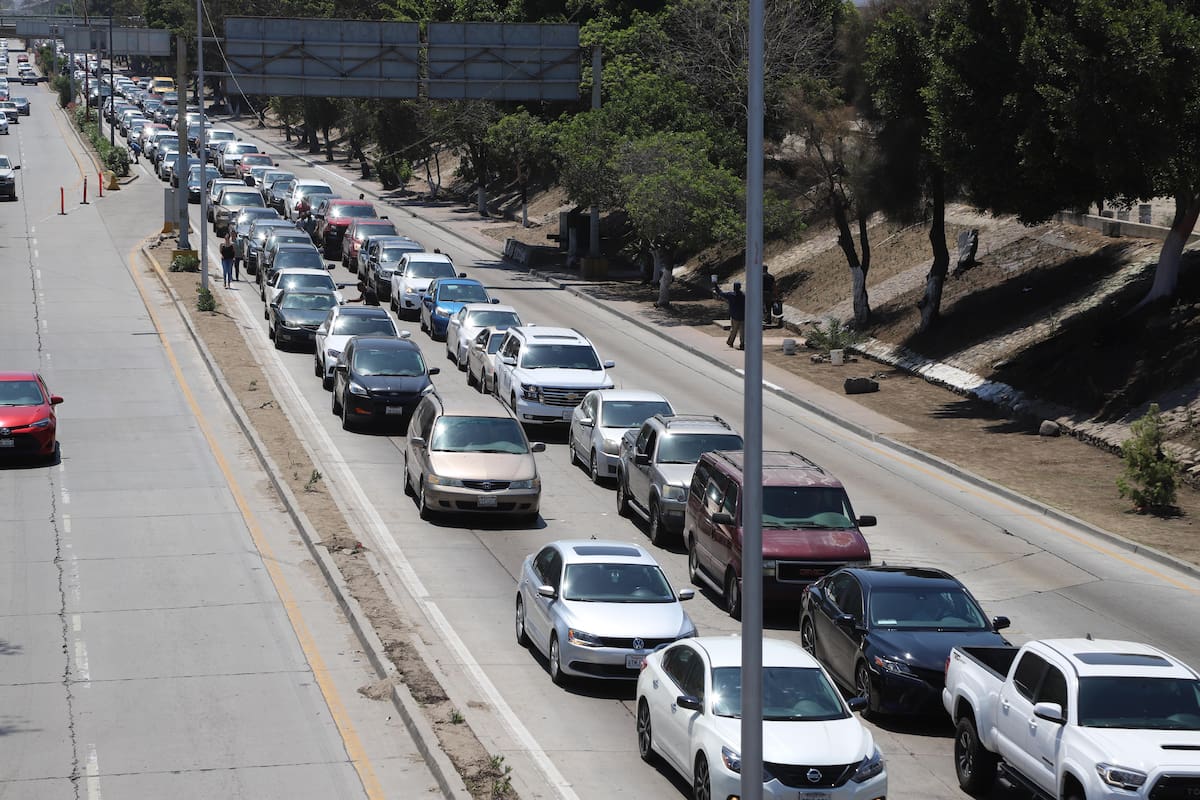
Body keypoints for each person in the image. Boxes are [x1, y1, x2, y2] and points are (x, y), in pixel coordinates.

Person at [714, 280, 746, 350]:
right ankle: (742, 344)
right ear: (740, 287)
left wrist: (716, 286)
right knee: (743, 331)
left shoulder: (730, 295)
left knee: (733, 330)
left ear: (734, 288)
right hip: (743, 316)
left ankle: (730, 342)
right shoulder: (744, 296)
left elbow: (720, 293)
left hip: (734, 315)